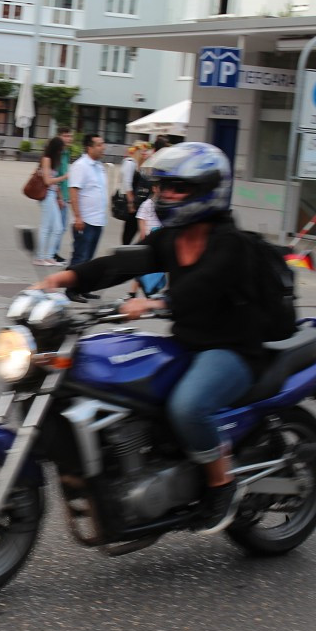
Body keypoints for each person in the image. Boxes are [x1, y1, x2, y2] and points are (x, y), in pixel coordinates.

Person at [34, 142, 255, 535]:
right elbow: (122, 262)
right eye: (162, 188)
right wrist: (68, 277)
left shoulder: (230, 243)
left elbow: (205, 285)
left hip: (232, 349)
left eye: (176, 188)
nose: (165, 196)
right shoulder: (171, 237)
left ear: (207, 190)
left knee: (188, 406)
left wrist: (154, 303)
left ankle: (222, 485)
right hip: (187, 343)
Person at [67, 133, 108, 304]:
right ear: (89, 148)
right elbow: (73, 192)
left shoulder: (99, 166)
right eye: (99, 144)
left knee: (89, 260)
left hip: (98, 220)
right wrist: (78, 217)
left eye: (102, 144)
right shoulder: (80, 166)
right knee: (80, 258)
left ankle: (83, 288)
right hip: (85, 220)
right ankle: (71, 290)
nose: (103, 147)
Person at [33, 136, 69, 266]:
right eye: (60, 149)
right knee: (46, 227)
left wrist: (59, 197)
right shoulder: (46, 159)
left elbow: (54, 183)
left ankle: (48, 256)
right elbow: (47, 181)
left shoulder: (53, 160)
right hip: (46, 196)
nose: (61, 152)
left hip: (52, 195)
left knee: (58, 228)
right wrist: (64, 177)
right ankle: (40, 257)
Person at [119, 140, 152, 245]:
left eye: (146, 150)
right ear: (137, 151)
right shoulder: (130, 162)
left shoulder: (140, 164)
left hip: (138, 202)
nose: (145, 153)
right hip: (133, 203)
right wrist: (131, 203)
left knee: (138, 228)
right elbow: (127, 184)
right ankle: (124, 251)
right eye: (142, 150)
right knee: (130, 229)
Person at [56, 127, 74, 262]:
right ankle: (52, 253)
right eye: (66, 136)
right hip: (59, 195)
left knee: (61, 226)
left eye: (70, 136)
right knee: (58, 227)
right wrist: (60, 196)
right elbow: (56, 176)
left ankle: (52, 252)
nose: (69, 139)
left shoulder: (66, 152)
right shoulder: (57, 153)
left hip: (65, 194)